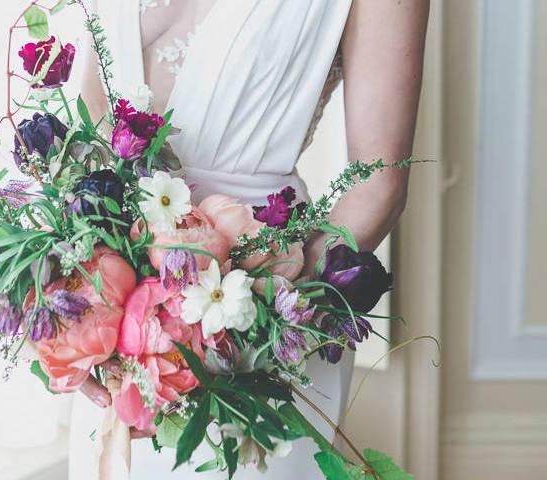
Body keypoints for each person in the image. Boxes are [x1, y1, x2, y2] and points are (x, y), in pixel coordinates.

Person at [72, 0, 429, 478]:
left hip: (259, 306)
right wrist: (73, 305)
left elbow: (379, 184)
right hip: (119, 314)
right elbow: (90, 119)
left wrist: (242, 328)